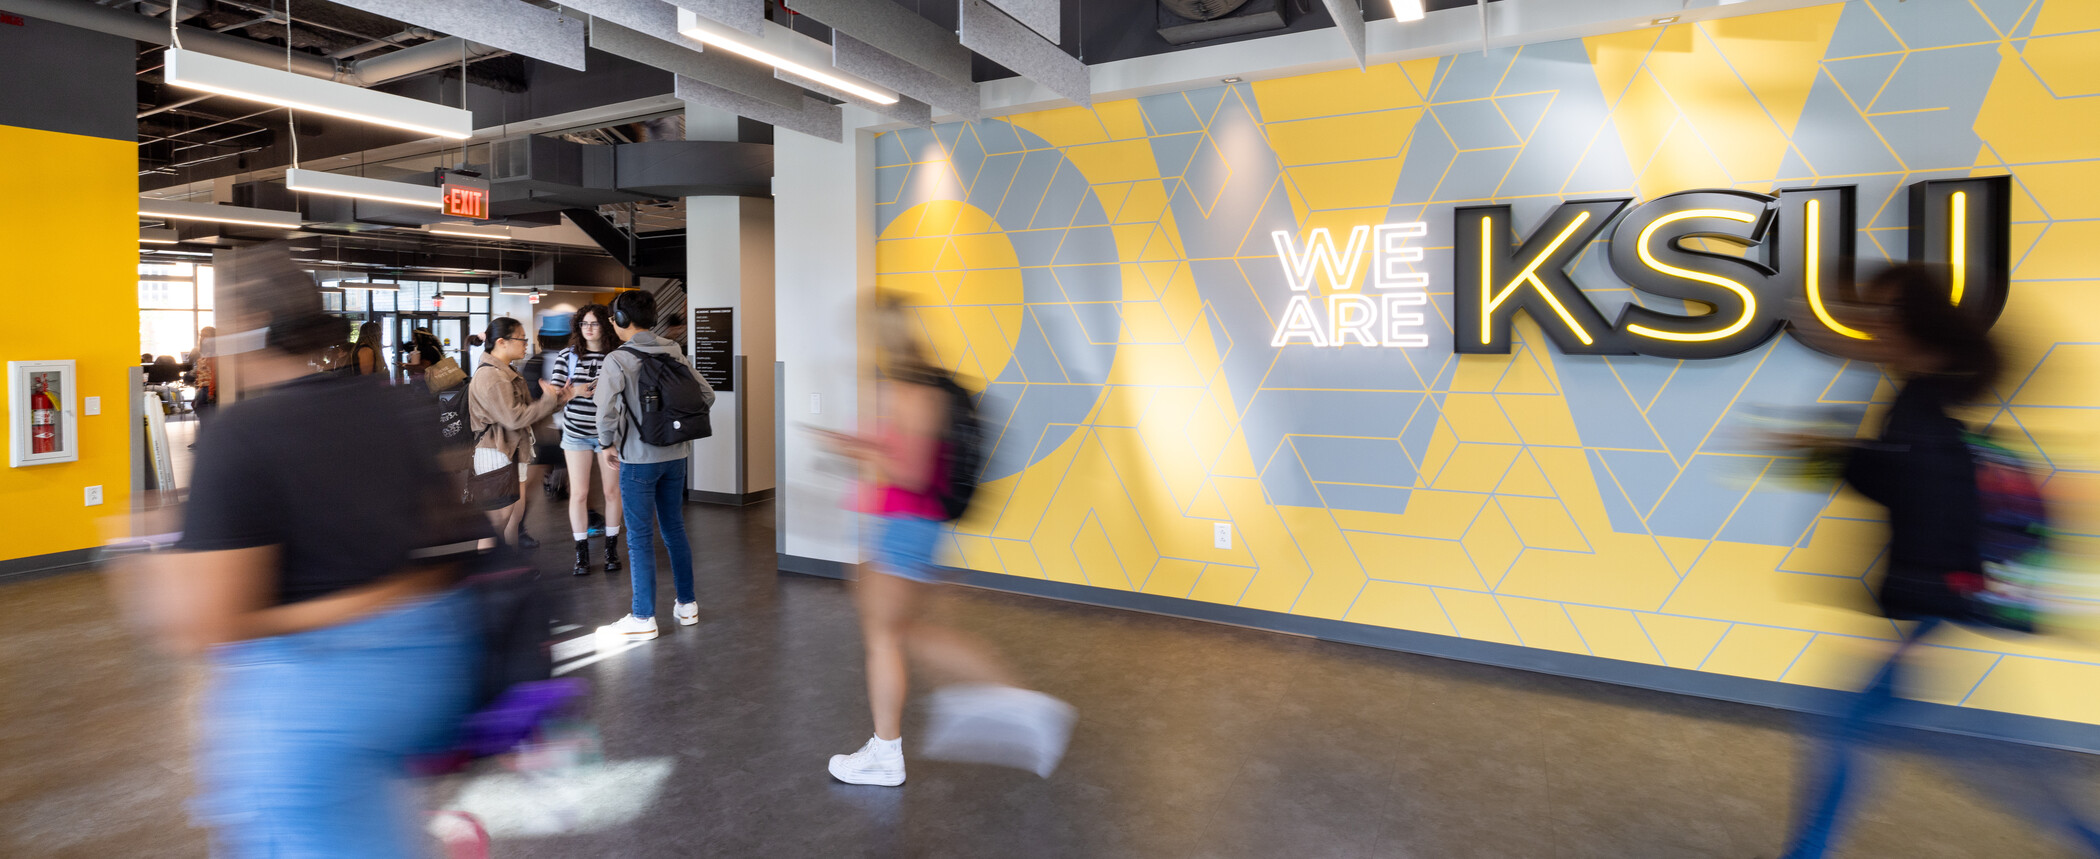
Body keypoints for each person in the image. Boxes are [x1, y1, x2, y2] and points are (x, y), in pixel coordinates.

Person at [129, 244, 480, 857]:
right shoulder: (394, 404)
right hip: (423, 676)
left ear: (242, 328)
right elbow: (443, 537)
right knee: (369, 819)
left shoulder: (240, 435)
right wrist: (392, 593)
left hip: (311, 708)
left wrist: (135, 558)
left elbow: (212, 623)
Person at [1774, 263, 2100, 858]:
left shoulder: (1928, 408)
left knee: (1975, 753)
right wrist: (1823, 453)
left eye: (1884, 314)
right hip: (1934, 605)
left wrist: (1909, 624)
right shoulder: (1921, 395)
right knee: (1990, 750)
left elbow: (1928, 503)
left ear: (1916, 324)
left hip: (1930, 604)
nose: (1873, 326)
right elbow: (1899, 483)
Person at [813, 297, 1072, 786]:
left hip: (902, 524)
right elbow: (913, 456)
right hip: (916, 524)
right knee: (903, 631)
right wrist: (863, 446)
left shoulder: (907, 389)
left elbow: (909, 471)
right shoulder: (926, 382)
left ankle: (888, 753)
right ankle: (1013, 704)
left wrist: (861, 454)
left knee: (887, 636)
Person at [595, 290, 712, 640]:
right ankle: (687, 605)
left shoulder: (617, 359)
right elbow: (707, 395)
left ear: (619, 321)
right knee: (674, 529)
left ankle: (643, 616)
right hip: (676, 456)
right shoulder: (672, 350)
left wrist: (606, 444)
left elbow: (605, 412)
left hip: (639, 459)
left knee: (641, 538)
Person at [468, 317, 580, 547]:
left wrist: (559, 400)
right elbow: (515, 418)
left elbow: (529, 412)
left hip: (511, 452)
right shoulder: (492, 377)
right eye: (521, 339)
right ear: (501, 342)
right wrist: (549, 400)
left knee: (513, 518)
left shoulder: (507, 371)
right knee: (497, 523)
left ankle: (510, 570)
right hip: (496, 454)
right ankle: (489, 578)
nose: (526, 344)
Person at [550, 304, 624, 577]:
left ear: (605, 325)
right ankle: (580, 552)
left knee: (611, 492)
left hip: (610, 435)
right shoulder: (567, 357)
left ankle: (611, 549)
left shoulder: (617, 357)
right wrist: (574, 393)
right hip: (576, 434)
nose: (589, 328)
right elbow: (555, 400)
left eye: (594, 323)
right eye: (584, 324)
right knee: (579, 493)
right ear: (578, 328)